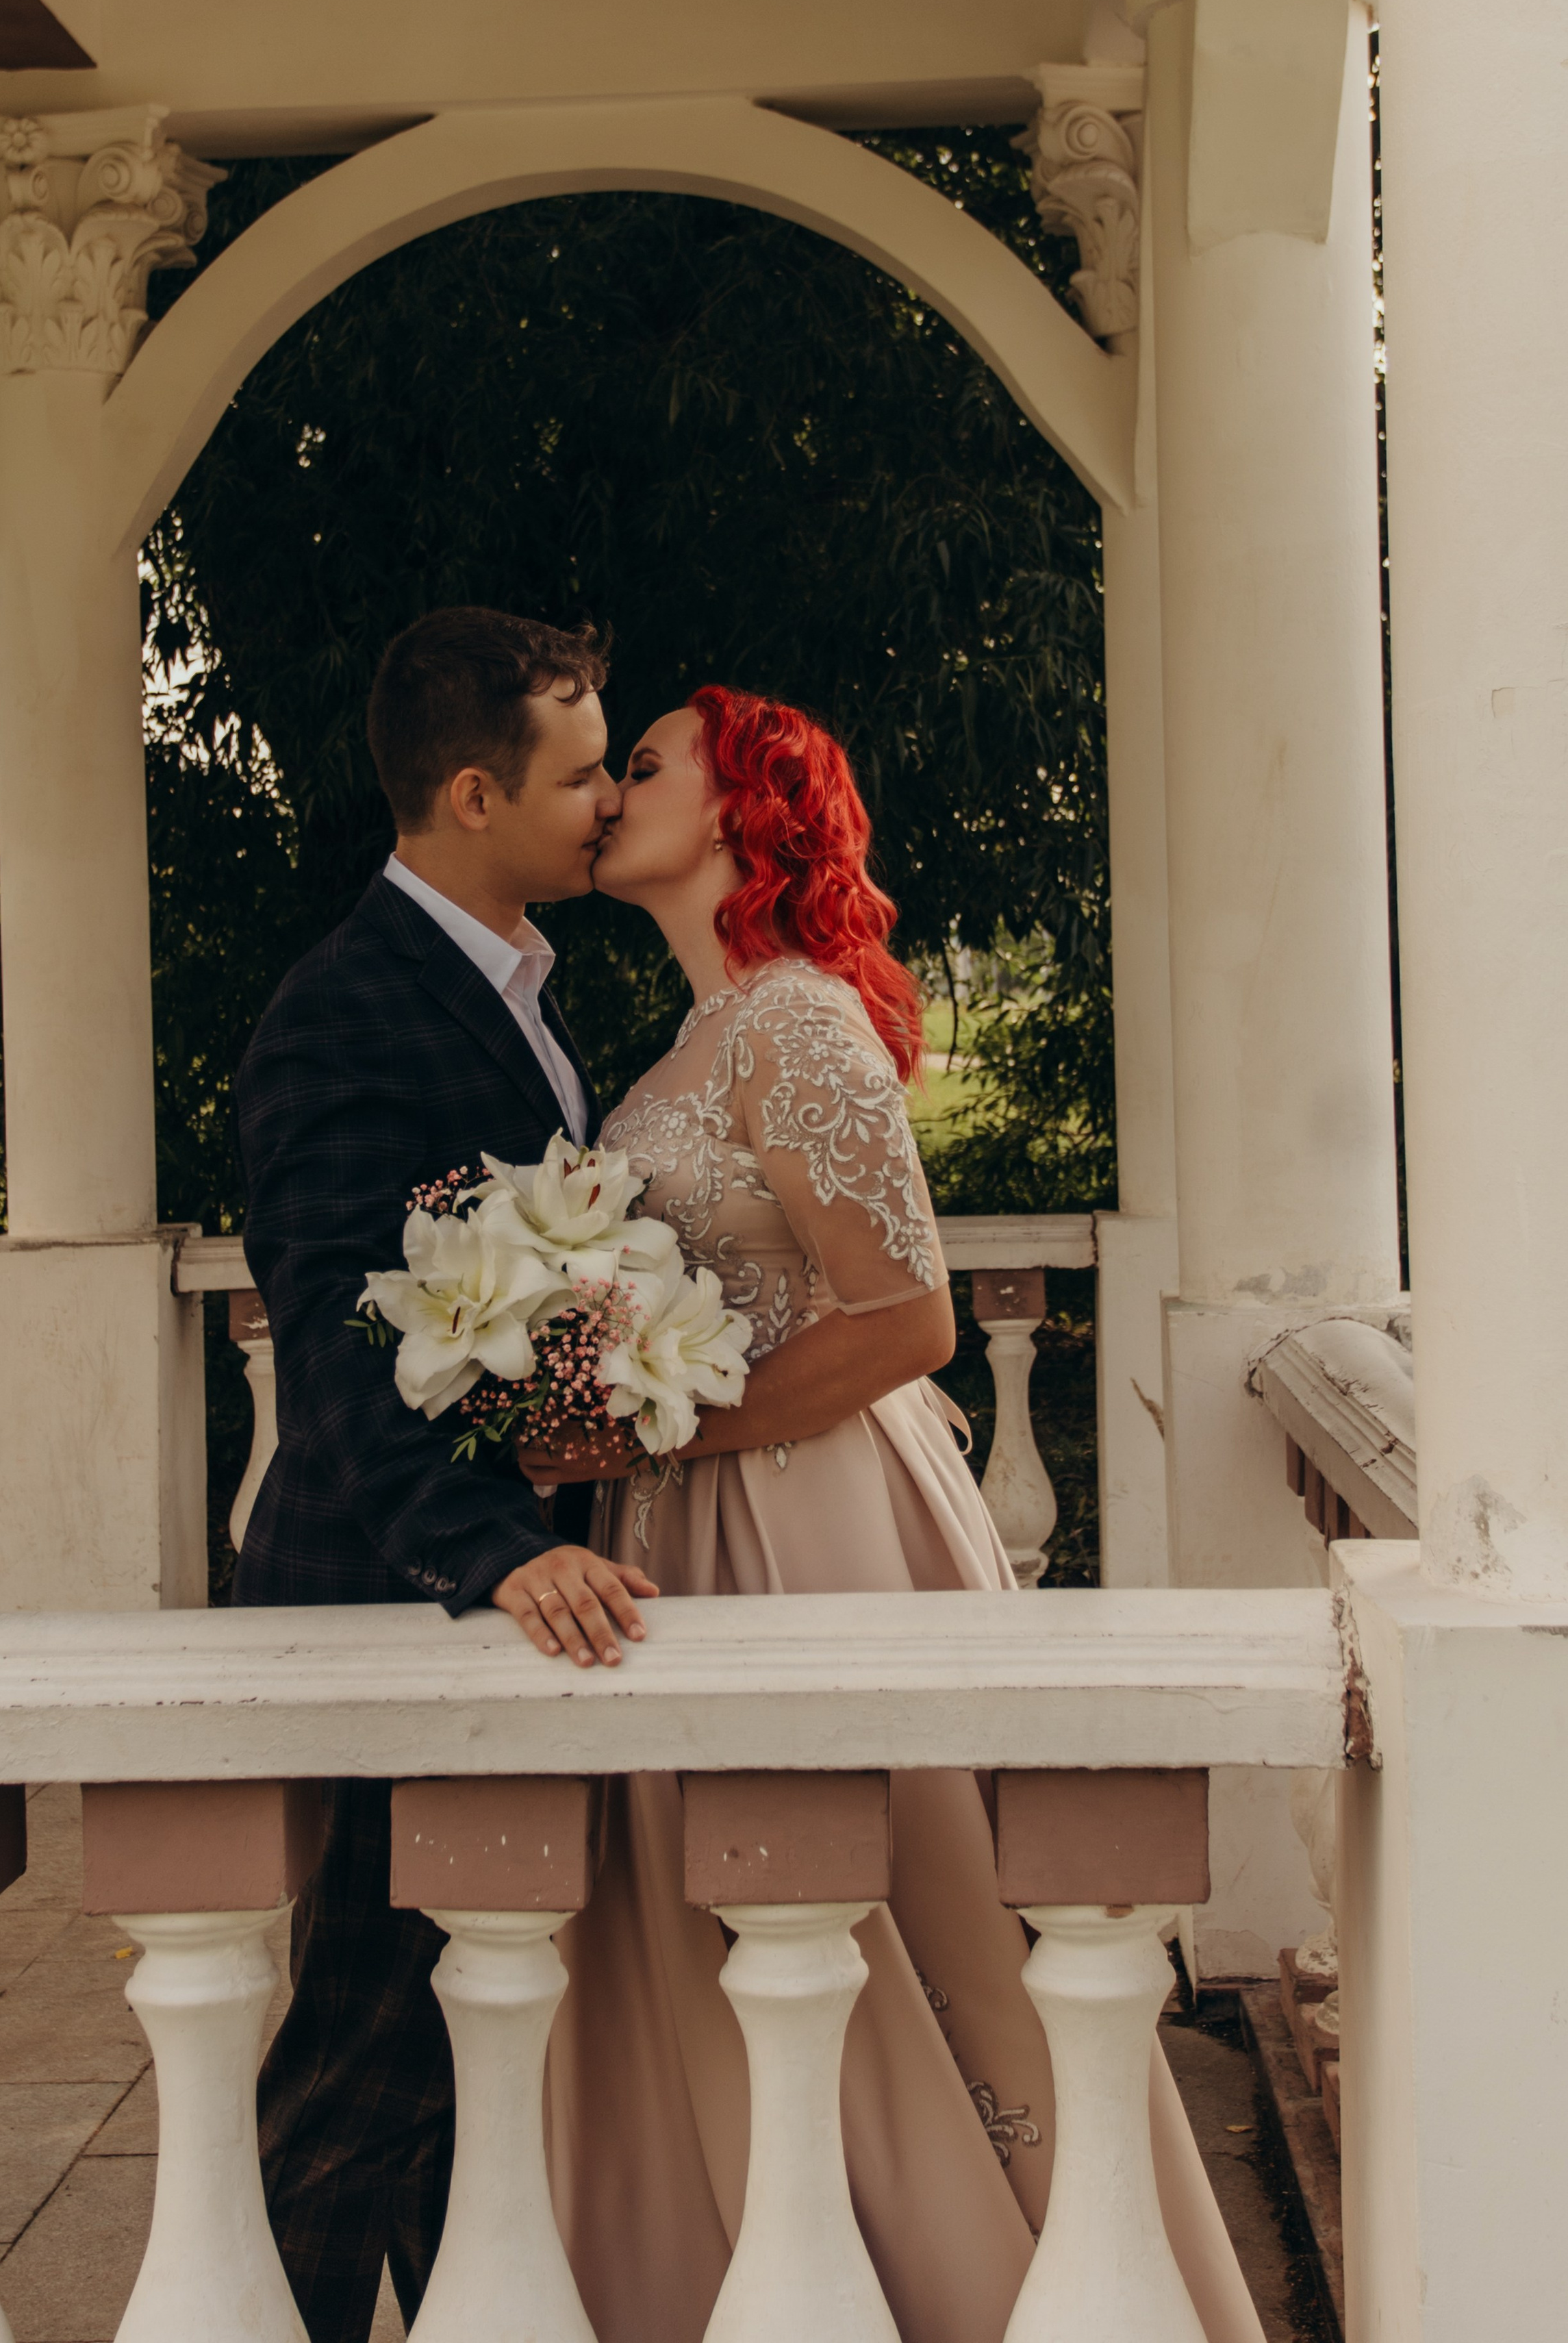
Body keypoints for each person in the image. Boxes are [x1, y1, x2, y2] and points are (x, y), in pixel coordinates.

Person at [509, 687, 1265, 2343]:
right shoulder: (689, 1040)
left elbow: (909, 1321)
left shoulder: (791, 1020)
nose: (608, 787)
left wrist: (657, 1429)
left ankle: (980, 2274)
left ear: (738, 807)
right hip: (696, 1528)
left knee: (884, 1904)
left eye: (644, 763)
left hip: (811, 1517)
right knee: (730, 1921)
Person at [232, 606, 656, 2343]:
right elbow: (336, 1326)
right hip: (389, 1593)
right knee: (361, 2057)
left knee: (444, 2051)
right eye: (578, 775)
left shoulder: (518, 992)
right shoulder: (344, 1011)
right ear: (474, 794)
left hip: (486, 1586)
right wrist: (488, 1553)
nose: (608, 805)